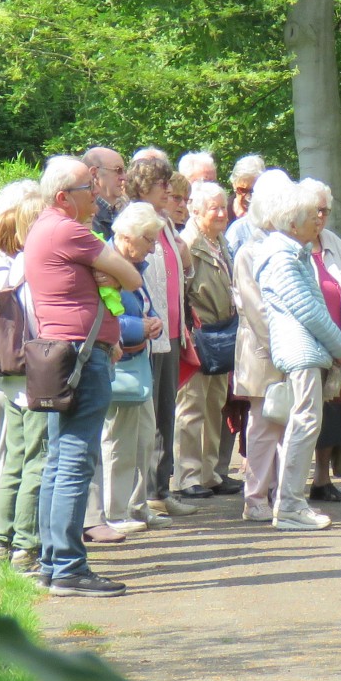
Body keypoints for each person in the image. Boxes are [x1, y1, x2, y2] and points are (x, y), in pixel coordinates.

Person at [25, 154, 142, 597]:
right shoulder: (71, 231)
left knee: (59, 461)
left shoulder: (41, 229)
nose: (95, 195)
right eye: (85, 190)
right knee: (75, 461)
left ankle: (54, 564)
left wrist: (99, 272)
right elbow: (131, 277)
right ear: (62, 198)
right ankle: (70, 568)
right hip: (82, 356)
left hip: (59, 356)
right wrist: (104, 271)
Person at [256, 180, 341, 530]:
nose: (319, 220)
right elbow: (309, 311)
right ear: (292, 223)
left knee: (305, 423)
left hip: (305, 351)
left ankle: (291, 503)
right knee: (304, 423)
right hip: (300, 352)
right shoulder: (282, 257)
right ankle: (290, 506)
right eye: (311, 216)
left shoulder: (289, 253)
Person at [0, 179, 47, 572]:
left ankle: (0, 539)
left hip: (8, 375)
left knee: (14, 458)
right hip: (35, 374)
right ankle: (26, 546)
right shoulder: (34, 268)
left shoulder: (8, 267)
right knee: (36, 458)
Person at [100, 203, 171, 532]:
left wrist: (152, 322)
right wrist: (138, 328)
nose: (153, 247)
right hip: (118, 364)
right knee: (119, 441)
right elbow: (103, 315)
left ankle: (137, 506)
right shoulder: (106, 265)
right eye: (149, 239)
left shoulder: (133, 266)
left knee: (143, 439)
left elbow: (142, 305)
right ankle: (114, 513)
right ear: (126, 236)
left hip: (139, 362)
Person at [126, 156, 191, 507]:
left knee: (167, 411)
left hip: (171, 330)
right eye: (162, 184)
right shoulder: (136, 221)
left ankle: (162, 488)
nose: (169, 190)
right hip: (149, 333)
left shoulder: (164, 224)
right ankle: (147, 493)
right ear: (144, 187)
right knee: (149, 415)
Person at [230, 170, 292, 521]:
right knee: (263, 424)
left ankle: (285, 493)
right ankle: (255, 498)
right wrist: (285, 347)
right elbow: (256, 310)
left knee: (289, 424)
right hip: (263, 350)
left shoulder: (289, 248)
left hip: (286, 349)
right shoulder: (248, 253)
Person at [300, 179, 341, 503]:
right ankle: (290, 483)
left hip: (337, 342)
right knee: (303, 416)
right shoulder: (292, 246)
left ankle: (321, 479)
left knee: (333, 413)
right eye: (315, 211)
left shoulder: (334, 243)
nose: (321, 217)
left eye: (325, 210)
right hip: (308, 345)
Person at [177, 180, 237, 498]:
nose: (220, 213)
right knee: (191, 407)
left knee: (215, 404)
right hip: (198, 338)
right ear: (196, 211)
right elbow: (181, 294)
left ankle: (210, 472)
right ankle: (188, 477)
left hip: (221, 336)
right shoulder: (189, 242)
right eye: (213, 208)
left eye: (222, 207)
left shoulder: (220, 241)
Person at [225, 155, 266, 255]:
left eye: (252, 191)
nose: (247, 197)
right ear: (233, 184)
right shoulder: (221, 212)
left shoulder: (267, 217)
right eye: (242, 190)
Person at [83, 146, 125, 239]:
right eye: (118, 170)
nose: (124, 177)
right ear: (94, 174)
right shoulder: (85, 219)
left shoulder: (124, 213)